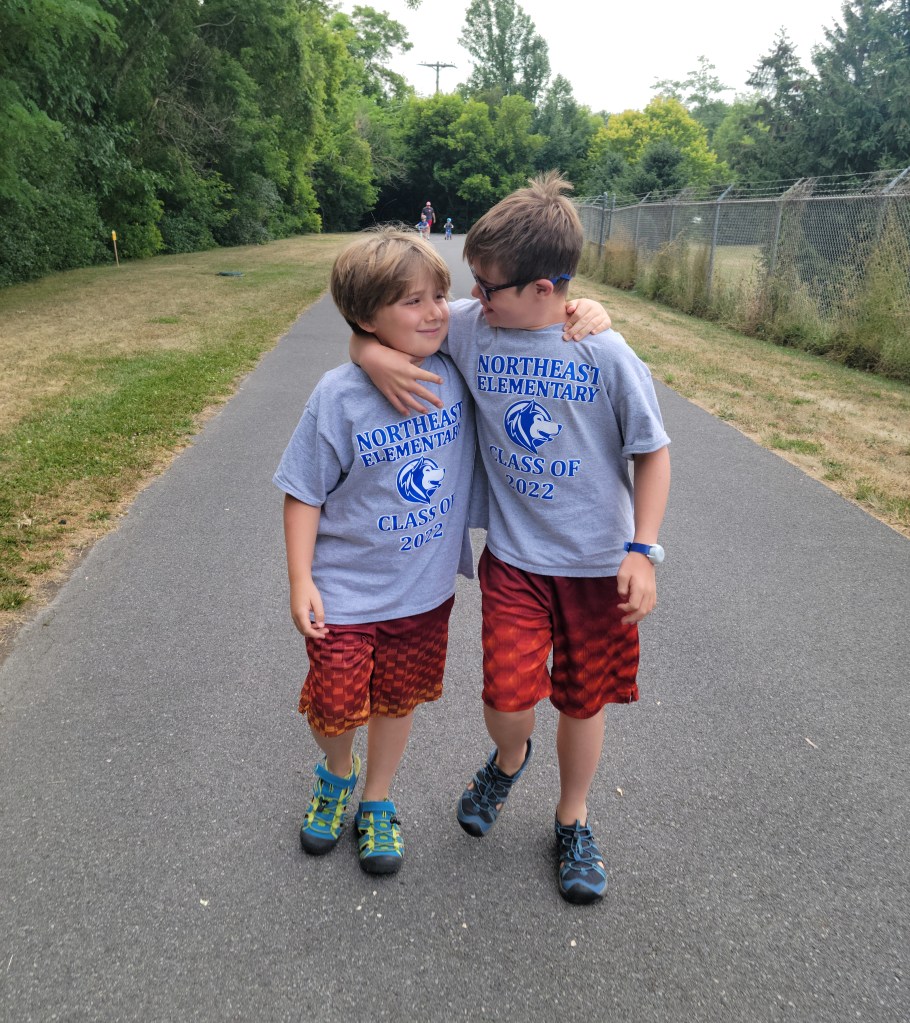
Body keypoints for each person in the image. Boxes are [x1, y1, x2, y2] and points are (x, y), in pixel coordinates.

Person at [353, 172, 671, 905]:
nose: (473, 295)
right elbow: (391, 322)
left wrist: (642, 551)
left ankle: (573, 818)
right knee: (506, 700)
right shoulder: (475, 327)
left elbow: (652, 452)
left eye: (488, 285)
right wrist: (368, 352)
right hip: (517, 562)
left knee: (583, 702)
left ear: (545, 288)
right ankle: (508, 756)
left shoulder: (604, 353)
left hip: (598, 568)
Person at [273, 229, 476, 876]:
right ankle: (338, 772)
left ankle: (377, 798)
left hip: (423, 590)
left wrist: (585, 308)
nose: (435, 311)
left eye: (440, 294)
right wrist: (300, 579)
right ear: (366, 316)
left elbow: (525, 315)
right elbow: (303, 491)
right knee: (334, 706)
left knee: (396, 700)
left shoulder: (459, 365)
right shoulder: (338, 396)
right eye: (413, 301)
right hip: (344, 592)